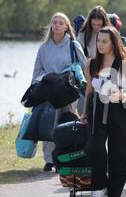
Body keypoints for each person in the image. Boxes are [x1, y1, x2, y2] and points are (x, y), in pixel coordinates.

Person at [80, 26, 126, 197]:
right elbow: (89, 89)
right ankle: (99, 187)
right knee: (94, 146)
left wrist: (123, 96)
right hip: (97, 108)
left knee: (119, 152)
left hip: (120, 109)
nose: (100, 44)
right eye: (98, 41)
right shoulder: (92, 63)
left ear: (114, 43)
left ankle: (115, 194)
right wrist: (84, 112)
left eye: (104, 41)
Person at [32, 12, 87, 172]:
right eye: (54, 22)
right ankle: (49, 160)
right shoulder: (43, 48)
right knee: (48, 123)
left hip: (68, 91)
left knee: (65, 124)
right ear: (51, 26)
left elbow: (83, 67)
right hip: (48, 90)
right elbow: (37, 70)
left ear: (66, 27)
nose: (57, 25)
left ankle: (63, 158)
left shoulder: (73, 45)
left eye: (60, 23)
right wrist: (37, 88)